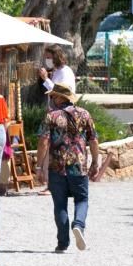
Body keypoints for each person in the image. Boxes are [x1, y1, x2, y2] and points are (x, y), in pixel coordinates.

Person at [34, 83, 100, 253]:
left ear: (60, 97)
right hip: (79, 167)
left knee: (60, 204)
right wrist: (95, 162)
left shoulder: (51, 116)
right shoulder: (85, 114)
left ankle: (62, 243)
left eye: (53, 96)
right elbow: (93, 140)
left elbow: (43, 142)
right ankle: (78, 225)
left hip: (57, 167)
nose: (51, 99)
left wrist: (39, 166)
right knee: (82, 199)